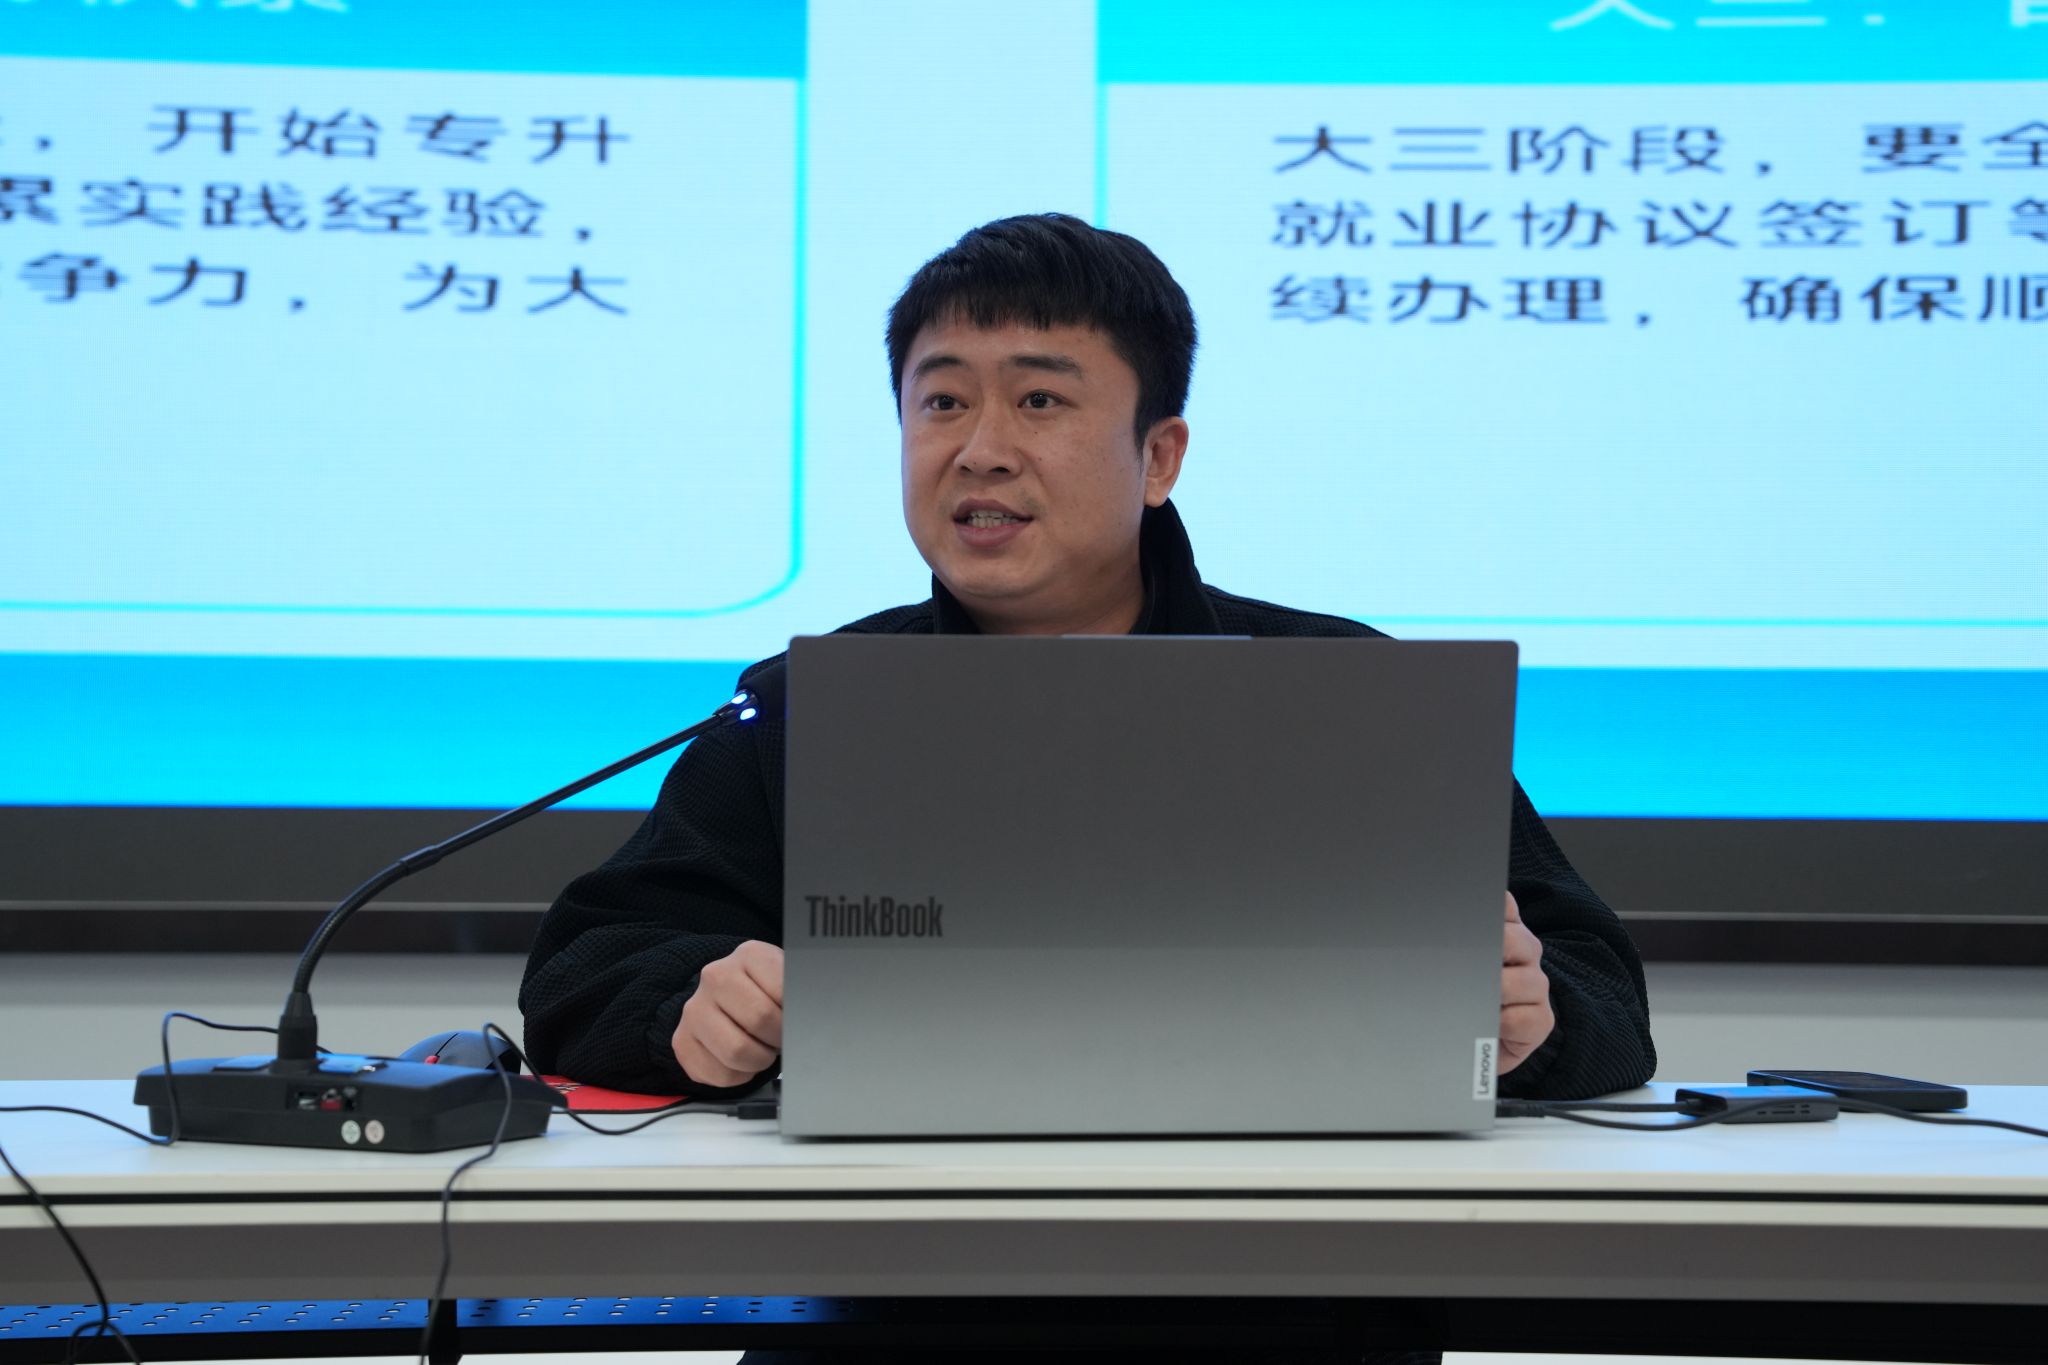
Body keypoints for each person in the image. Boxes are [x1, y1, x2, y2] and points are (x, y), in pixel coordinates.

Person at [519, 212, 1656, 1364]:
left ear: (1158, 456)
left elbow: (1604, 998)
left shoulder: (1349, 693)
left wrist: (1538, 1016)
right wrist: (690, 1011)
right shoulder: (805, 704)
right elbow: (581, 972)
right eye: (941, 400)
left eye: (1038, 400)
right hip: (891, 1309)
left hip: (1288, 1309)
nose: (979, 449)